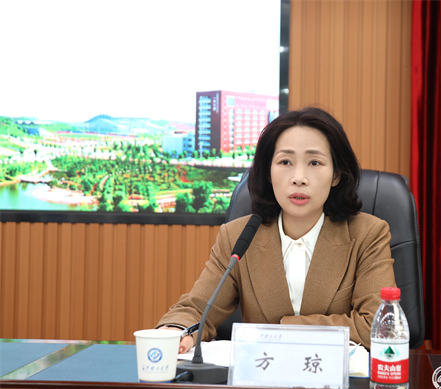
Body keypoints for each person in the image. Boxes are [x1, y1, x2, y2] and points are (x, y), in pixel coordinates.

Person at [156, 107, 396, 353]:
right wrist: (177, 330)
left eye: (314, 162)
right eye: (285, 162)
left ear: (336, 174)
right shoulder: (238, 236)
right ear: (269, 173)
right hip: (262, 373)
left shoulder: (368, 234)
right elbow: (197, 308)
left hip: (337, 376)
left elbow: (379, 326)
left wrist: (284, 330)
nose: (299, 178)